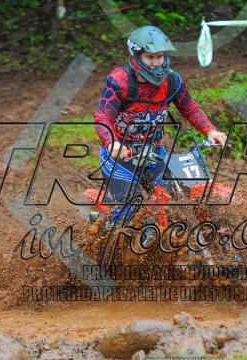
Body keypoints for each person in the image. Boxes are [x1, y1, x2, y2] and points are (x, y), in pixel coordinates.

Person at [94, 25, 227, 223]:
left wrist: (210, 130)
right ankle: (104, 230)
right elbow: (102, 116)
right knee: (130, 207)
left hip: (154, 154)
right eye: (150, 57)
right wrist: (112, 142)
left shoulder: (172, 81)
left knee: (176, 201)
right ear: (137, 56)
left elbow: (189, 108)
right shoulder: (120, 81)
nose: (156, 62)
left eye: (160, 56)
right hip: (119, 157)